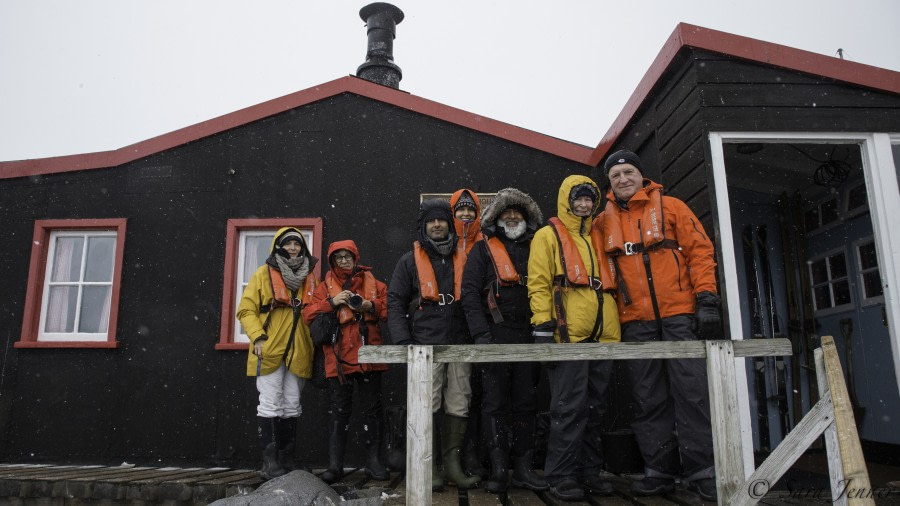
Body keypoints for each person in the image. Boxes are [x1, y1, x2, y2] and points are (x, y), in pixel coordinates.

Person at [597, 150, 721, 502]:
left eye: (629, 172)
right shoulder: (601, 221)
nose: (623, 179)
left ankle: (703, 471)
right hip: (635, 321)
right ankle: (659, 471)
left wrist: (707, 299)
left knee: (693, 393)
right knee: (648, 397)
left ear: (641, 176)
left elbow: (700, 252)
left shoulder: (673, 207)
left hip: (679, 314)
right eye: (616, 175)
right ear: (609, 182)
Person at [527, 175, 621, 501]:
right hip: (568, 337)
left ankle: (590, 471)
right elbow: (539, 283)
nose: (583, 205)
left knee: (596, 408)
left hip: (605, 335)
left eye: (588, 199)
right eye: (578, 199)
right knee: (568, 409)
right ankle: (561, 475)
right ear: (567, 200)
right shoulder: (546, 236)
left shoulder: (599, 235)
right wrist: (542, 327)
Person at [387, 199, 481, 491]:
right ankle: (429, 466)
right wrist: (403, 340)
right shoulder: (408, 261)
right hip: (425, 344)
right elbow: (394, 301)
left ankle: (452, 465)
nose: (437, 225)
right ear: (424, 226)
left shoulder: (466, 257)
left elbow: (475, 297)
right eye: (431, 221)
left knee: (460, 401)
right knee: (428, 404)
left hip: (460, 341)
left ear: (449, 224)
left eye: (441, 220)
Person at [460, 187, 548, 494]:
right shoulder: (482, 250)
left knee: (527, 402)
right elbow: (469, 294)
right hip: (494, 335)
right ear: (497, 219)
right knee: (494, 404)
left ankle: (523, 468)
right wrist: (481, 335)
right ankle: (498, 469)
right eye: (506, 213)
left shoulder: (538, 246)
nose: (512, 217)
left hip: (530, 334)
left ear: (526, 219)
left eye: (517, 213)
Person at [302, 240, 390, 484]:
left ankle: (374, 463)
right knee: (339, 412)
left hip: (369, 354)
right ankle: (335, 466)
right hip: (338, 358)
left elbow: (390, 309)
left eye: (347, 256)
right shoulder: (323, 288)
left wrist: (368, 305)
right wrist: (333, 302)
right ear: (332, 261)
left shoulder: (375, 283)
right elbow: (308, 314)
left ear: (355, 257)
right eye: (338, 257)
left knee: (373, 410)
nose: (343, 261)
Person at [237, 227, 318, 479]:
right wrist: (258, 337)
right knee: (270, 403)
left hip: (300, 347)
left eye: (298, 243)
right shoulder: (262, 274)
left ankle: (288, 458)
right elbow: (246, 310)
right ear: (279, 246)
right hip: (269, 347)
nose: (293, 247)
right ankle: (269, 463)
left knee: (292, 404)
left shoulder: (310, 279)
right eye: (289, 243)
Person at [449, 188, 487, 479]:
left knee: (480, 391)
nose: (465, 214)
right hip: (450, 322)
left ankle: (474, 453)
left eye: (470, 209)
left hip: (481, 321)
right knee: (457, 392)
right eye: (460, 209)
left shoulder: (485, 242)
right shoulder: (443, 243)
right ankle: (453, 458)